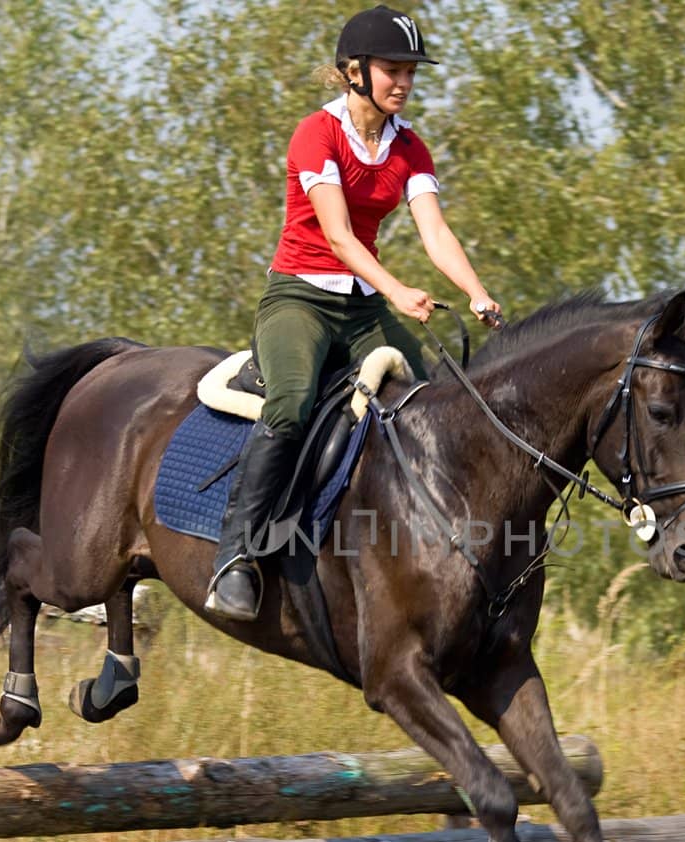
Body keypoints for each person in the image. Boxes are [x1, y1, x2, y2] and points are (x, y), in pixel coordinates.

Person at [205, 4, 503, 622]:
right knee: (290, 403)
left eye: (410, 72)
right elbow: (339, 237)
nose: (404, 81)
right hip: (300, 299)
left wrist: (476, 291)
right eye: (392, 69)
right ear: (354, 73)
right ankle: (234, 558)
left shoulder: (409, 147)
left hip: (362, 304)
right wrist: (397, 291)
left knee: (429, 403)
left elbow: (436, 231)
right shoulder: (317, 134)